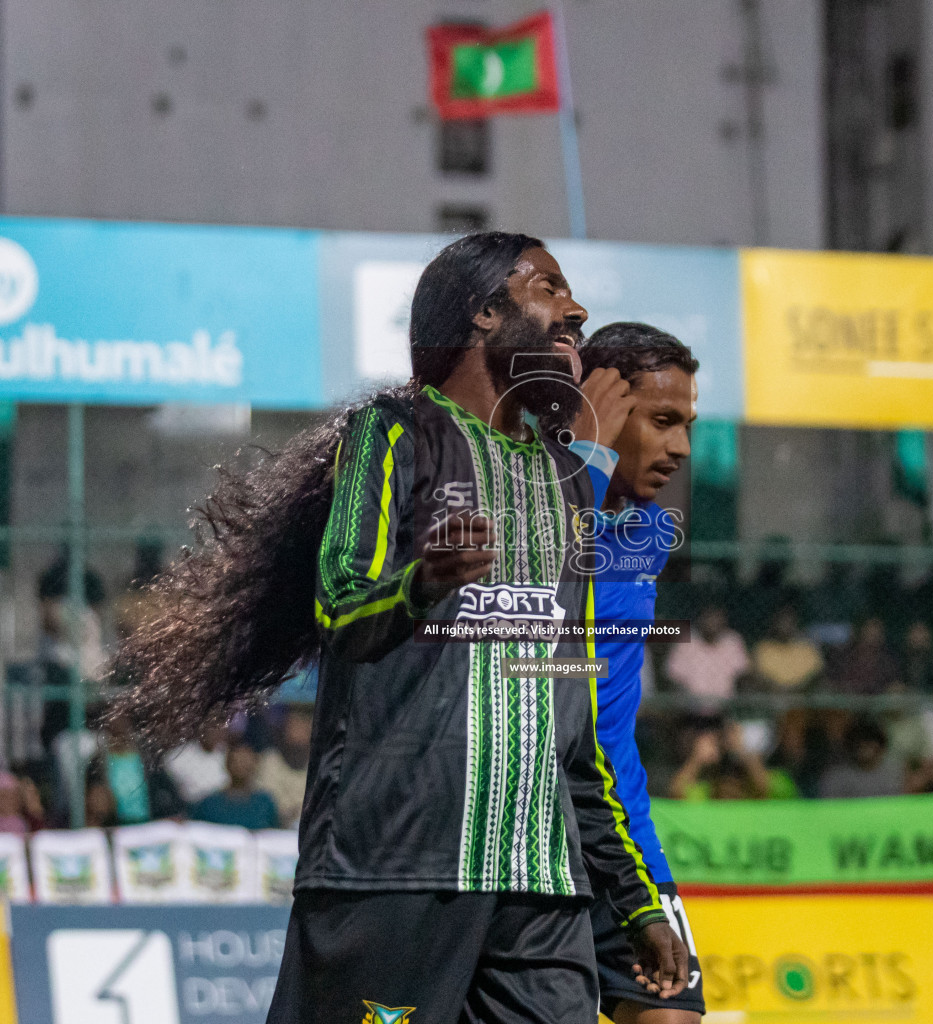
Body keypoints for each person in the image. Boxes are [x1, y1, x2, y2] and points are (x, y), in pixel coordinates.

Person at [111, 232, 685, 1022]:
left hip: (541, 886)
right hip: (396, 866)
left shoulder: (565, 484)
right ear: (485, 313)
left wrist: (638, 903)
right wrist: (420, 584)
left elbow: (572, 727)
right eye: (549, 289)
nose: (575, 310)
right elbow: (341, 608)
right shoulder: (394, 434)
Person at [577, 321, 707, 1023]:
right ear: (603, 408)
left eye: (686, 425)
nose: (680, 447)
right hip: (520, 839)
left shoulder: (648, 531)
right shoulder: (531, 512)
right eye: (662, 421)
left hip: (623, 831)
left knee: (670, 1015)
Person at [669, 721, 798, 800]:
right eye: (725, 781)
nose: (730, 790)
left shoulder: (777, 781)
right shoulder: (708, 794)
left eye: (737, 780)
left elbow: (766, 788)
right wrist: (697, 759)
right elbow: (676, 793)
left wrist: (745, 753)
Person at [665, 604, 749, 712]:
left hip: (727, 709)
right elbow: (674, 677)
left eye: (716, 617)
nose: (712, 621)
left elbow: (743, 674)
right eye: (708, 617)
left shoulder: (733, 641)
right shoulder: (685, 641)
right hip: (690, 711)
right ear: (700, 619)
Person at [192, 744, 280, 830]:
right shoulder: (210, 803)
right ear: (227, 765)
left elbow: (275, 834)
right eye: (236, 761)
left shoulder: (265, 802)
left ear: (255, 765)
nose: (240, 766)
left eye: (245, 762)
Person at [818, 718, 905, 799]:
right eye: (860, 745)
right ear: (850, 746)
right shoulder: (835, 777)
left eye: (869, 744)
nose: (865, 750)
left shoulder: (897, 774)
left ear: (881, 747)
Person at [256, 707, 312, 828]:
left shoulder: (319, 766)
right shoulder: (270, 760)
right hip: (273, 829)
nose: (297, 733)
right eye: (293, 727)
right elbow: (266, 803)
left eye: (303, 728)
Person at [751, 606, 824, 693]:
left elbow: (816, 673)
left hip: (803, 697)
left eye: (789, 622)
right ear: (774, 624)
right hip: (772, 698)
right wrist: (779, 689)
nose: (785, 626)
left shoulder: (807, 648)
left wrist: (796, 689)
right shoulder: (763, 649)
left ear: (795, 624)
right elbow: (759, 676)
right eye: (782, 622)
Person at [165, 723, 230, 806]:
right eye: (212, 729)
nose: (216, 733)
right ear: (201, 730)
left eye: (220, 730)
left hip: (221, 806)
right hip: (189, 808)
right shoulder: (177, 756)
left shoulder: (228, 755)